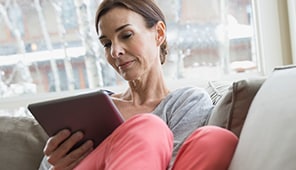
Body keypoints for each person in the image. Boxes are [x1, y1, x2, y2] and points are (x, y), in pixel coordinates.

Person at [39, 0, 238, 169]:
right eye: (107, 44)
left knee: (217, 139)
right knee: (148, 126)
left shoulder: (187, 102)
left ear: (159, 34)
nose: (115, 51)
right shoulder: (91, 110)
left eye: (126, 35)